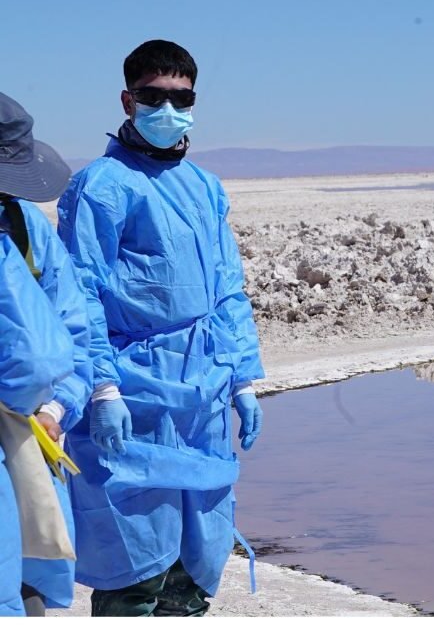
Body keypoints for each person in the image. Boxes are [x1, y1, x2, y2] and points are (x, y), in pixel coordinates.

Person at [57, 39, 266, 617]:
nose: (167, 109)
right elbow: (82, 296)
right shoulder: (100, 186)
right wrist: (102, 388)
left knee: (196, 560)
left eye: (180, 97)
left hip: (202, 391)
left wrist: (244, 377)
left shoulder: (204, 185)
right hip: (136, 390)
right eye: (154, 96)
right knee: (136, 563)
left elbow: (227, 286)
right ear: (128, 100)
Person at [0, 92, 93, 616]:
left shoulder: (24, 226)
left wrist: (58, 406)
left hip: (24, 445)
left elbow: (73, 329)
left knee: (26, 582)